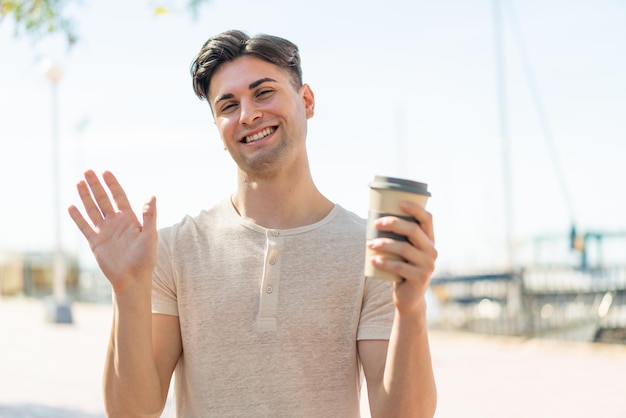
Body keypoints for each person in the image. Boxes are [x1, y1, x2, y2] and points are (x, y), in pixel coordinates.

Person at [68, 29, 437, 417]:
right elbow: (132, 413)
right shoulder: (173, 250)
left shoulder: (371, 250)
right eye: (228, 105)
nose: (248, 115)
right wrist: (128, 291)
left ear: (306, 100)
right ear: (217, 126)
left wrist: (411, 310)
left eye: (264, 93)